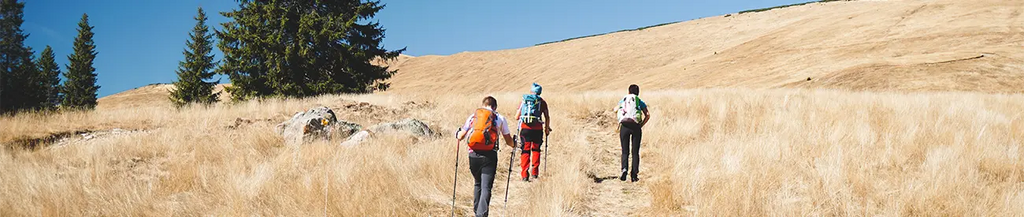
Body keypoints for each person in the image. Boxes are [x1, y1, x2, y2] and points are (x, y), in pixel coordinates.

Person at [456, 96, 516, 217]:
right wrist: (515, 144)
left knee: (477, 183)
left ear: (483, 104)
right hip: (490, 156)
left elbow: (461, 136)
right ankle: (481, 214)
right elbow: (509, 141)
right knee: (486, 187)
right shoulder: (499, 118)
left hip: (473, 154)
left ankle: (476, 211)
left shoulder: (474, 116)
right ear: (495, 107)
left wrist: (457, 133)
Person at [515, 83, 551, 182]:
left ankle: (524, 174)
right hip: (537, 130)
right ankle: (535, 173)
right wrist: (547, 128)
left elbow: (516, 117)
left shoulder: (524, 101)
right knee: (536, 150)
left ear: (531, 91)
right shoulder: (542, 102)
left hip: (525, 129)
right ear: (540, 92)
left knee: (525, 150)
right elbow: (547, 116)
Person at [615, 84, 650, 182]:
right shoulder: (639, 101)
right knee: (635, 152)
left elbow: (615, 109)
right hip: (636, 127)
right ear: (638, 92)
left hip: (624, 126)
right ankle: (634, 175)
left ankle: (624, 169)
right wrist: (641, 125)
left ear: (628, 92)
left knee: (625, 151)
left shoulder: (624, 99)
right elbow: (647, 115)